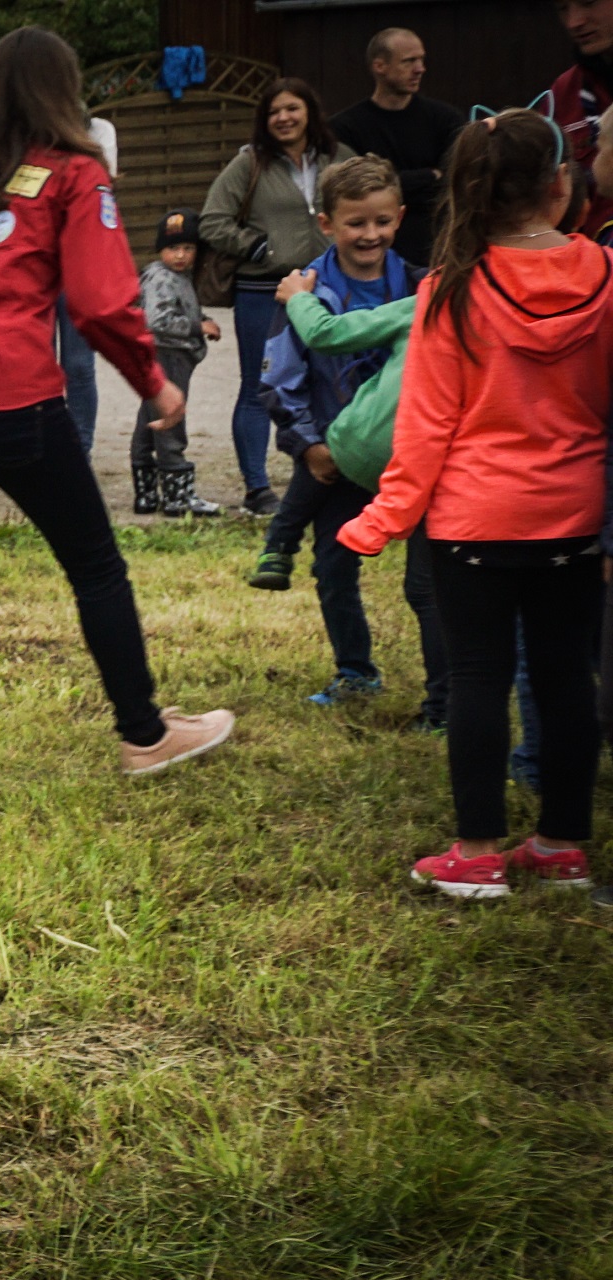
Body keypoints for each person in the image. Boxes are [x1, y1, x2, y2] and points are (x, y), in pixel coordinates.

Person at [0, 25, 236, 785]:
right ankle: (143, 733)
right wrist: (153, 379)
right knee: (96, 569)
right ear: (62, 93)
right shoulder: (76, 173)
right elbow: (103, 301)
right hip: (15, 406)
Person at [337, 108, 613, 901]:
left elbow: (423, 434)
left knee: (479, 679)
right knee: (566, 681)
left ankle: (478, 852)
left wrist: (376, 523)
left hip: (472, 526)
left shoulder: (450, 293)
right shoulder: (604, 276)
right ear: (561, 190)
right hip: (576, 520)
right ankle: (562, 844)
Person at [252, 156, 418, 711]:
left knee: (431, 583)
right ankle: (355, 672)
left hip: (413, 458)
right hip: (336, 461)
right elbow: (278, 376)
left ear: (399, 217)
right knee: (332, 565)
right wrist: (308, 445)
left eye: (381, 222)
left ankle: (444, 695)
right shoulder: (303, 291)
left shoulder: (421, 286)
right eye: (355, 223)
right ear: (326, 223)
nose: (369, 234)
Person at [201, 80, 354, 516]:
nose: (283, 118)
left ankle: (320, 476)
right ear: (264, 121)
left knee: (328, 383)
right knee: (259, 386)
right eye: (274, 112)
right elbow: (212, 220)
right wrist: (258, 248)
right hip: (261, 292)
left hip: (325, 287)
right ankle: (256, 488)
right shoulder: (248, 164)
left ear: (310, 112)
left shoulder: (337, 158)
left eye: (292, 108)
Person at [330, 28, 462, 267]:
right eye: (409, 61)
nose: (420, 68)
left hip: (437, 256)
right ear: (380, 66)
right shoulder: (346, 127)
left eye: (421, 60)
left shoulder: (446, 120)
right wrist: (428, 175)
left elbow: (452, 186)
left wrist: (393, 181)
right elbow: (353, 192)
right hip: (373, 259)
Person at [131, 210, 223, 517]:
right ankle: (177, 495)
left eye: (188, 248)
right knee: (171, 417)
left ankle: (146, 494)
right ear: (161, 249)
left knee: (150, 417)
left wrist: (202, 319)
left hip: (166, 353)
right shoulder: (161, 277)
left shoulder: (176, 277)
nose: (181, 255)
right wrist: (197, 328)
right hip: (166, 354)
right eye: (173, 248)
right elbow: (157, 321)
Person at [57, 113, 120, 454]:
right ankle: (38, 448)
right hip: (36, 266)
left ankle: (79, 449)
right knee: (34, 364)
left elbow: (102, 187)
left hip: (79, 265)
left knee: (79, 365)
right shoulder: (25, 130)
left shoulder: (99, 131)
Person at [554, 0, 613, 239]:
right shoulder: (564, 92)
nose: (574, 22)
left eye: (588, 3)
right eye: (562, 9)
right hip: (596, 267)